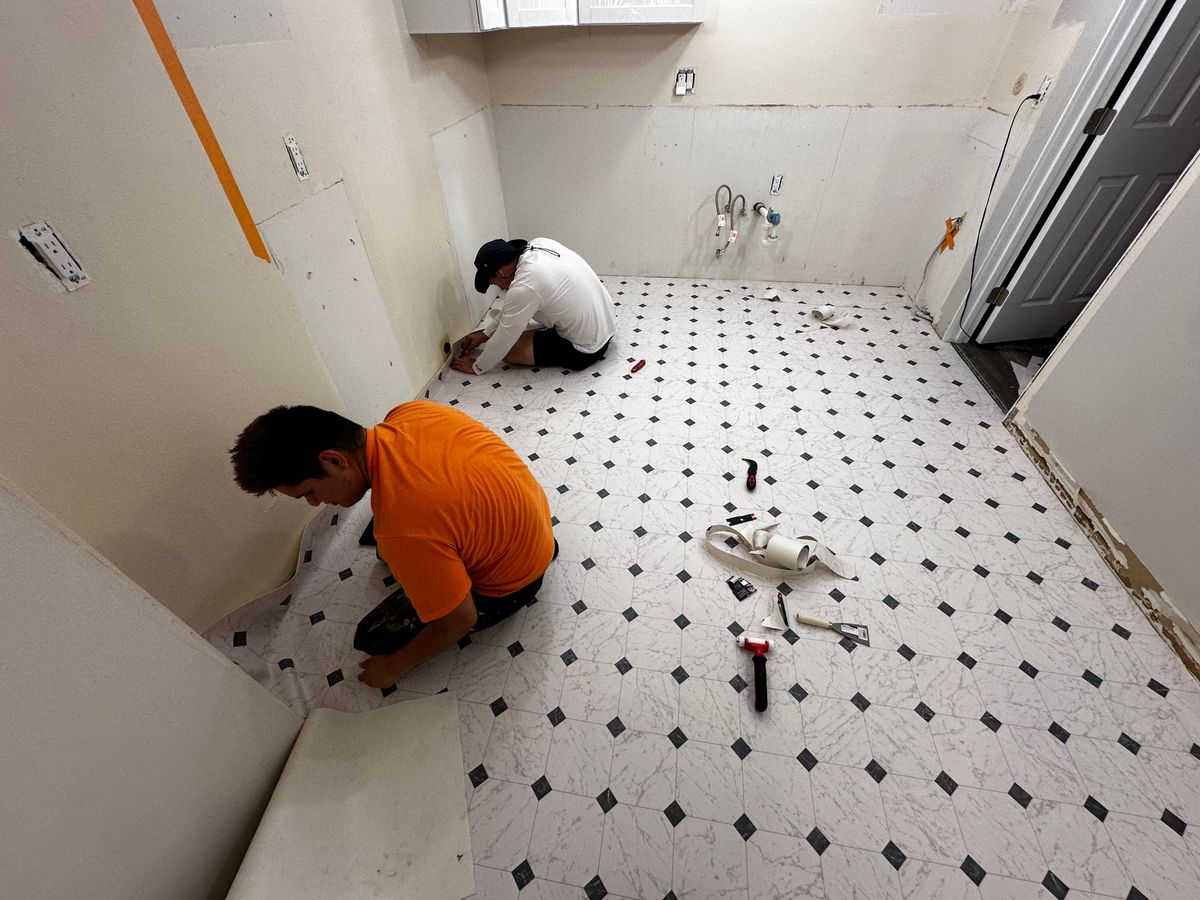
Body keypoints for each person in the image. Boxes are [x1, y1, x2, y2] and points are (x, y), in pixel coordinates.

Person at [230, 401, 556, 689]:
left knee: (373, 637)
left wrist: (393, 666)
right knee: (403, 529)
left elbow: (460, 620)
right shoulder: (408, 413)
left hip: (513, 584)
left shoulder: (402, 531)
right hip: (534, 526)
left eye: (309, 492)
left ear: (333, 460)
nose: (315, 504)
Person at [453, 237, 617, 375]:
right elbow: (515, 305)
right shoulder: (540, 245)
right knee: (525, 312)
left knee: (510, 350)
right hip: (607, 325)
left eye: (493, 283)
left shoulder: (525, 286)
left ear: (501, 272)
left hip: (587, 349)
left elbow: (505, 337)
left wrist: (477, 366)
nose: (499, 288)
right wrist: (486, 333)